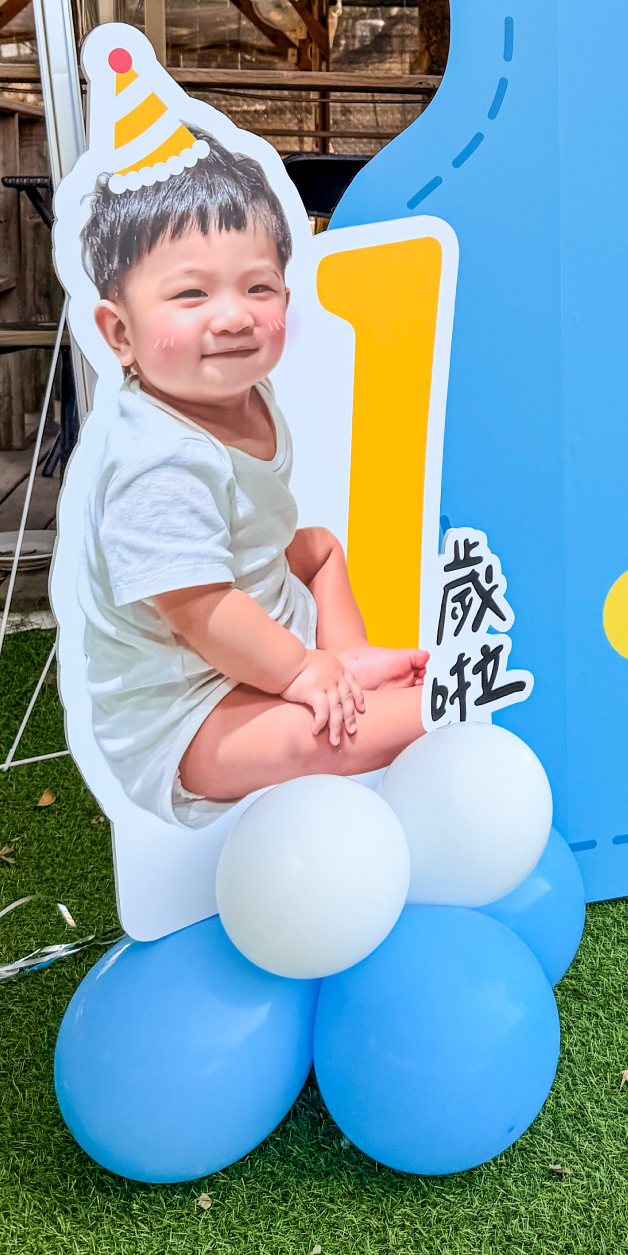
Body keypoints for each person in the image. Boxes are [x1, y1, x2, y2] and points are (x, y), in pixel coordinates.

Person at [78, 130, 427, 828]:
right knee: (396, 720)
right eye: (191, 294)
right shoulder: (159, 461)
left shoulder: (243, 394)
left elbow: (262, 548)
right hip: (188, 711)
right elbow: (201, 611)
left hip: (251, 624)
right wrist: (298, 672)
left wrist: (330, 657)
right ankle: (339, 689)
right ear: (120, 333)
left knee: (320, 545)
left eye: (258, 287)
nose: (234, 315)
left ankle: (345, 660)